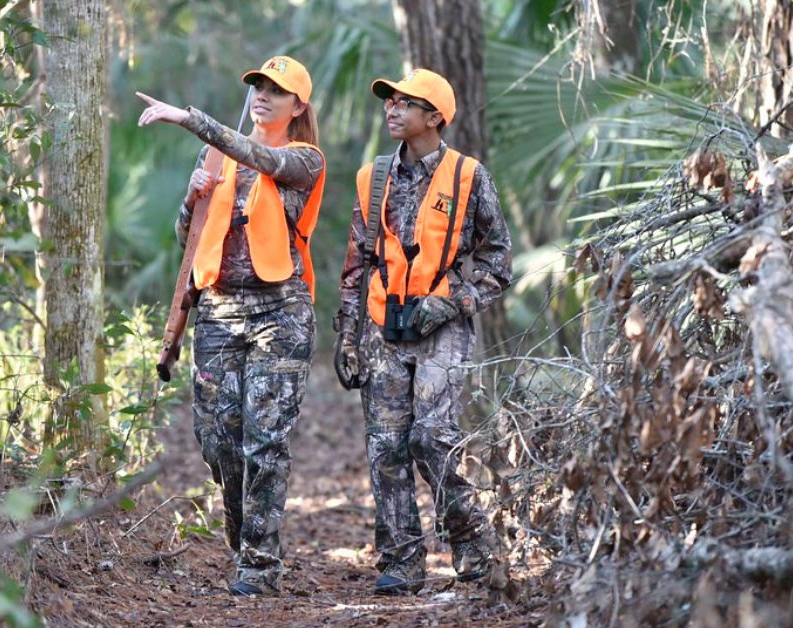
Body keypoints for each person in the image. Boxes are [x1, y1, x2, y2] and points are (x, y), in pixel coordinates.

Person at [137, 55, 325, 597]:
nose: (263, 95)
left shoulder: (303, 158)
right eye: (258, 86)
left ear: (297, 106)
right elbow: (187, 237)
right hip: (218, 312)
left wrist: (191, 119)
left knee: (266, 440)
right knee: (218, 439)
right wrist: (193, 196)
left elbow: (257, 155)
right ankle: (246, 533)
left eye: (276, 90)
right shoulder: (214, 157)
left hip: (279, 313)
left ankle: (260, 566)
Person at [333, 69, 512, 595]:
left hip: (442, 327)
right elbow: (356, 263)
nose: (391, 109)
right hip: (382, 326)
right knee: (385, 445)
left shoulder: (467, 175)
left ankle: (474, 546)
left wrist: (452, 301)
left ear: (435, 116)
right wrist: (347, 335)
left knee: (432, 436)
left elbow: (498, 261)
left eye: (405, 103)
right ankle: (401, 561)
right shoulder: (373, 177)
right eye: (389, 101)